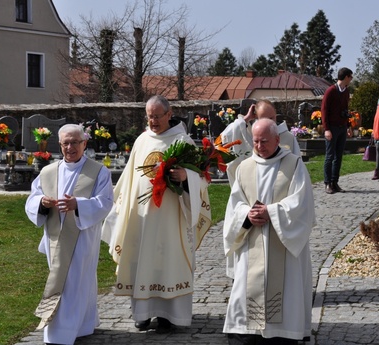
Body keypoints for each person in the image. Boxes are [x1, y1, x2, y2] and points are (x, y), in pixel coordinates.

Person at [101, 95, 210, 334]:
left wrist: (185, 178)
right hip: (141, 218)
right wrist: (120, 207)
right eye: (149, 116)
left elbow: (201, 179)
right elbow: (129, 178)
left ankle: (169, 315)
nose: (153, 121)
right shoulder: (141, 140)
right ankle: (142, 314)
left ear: (169, 114)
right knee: (141, 261)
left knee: (167, 261)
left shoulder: (183, 142)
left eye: (157, 116)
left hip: (170, 219)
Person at [223, 118, 316, 344]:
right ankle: (246, 332)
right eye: (255, 141)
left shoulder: (294, 165)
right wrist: (247, 215)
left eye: (264, 141)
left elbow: (302, 204)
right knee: (245, 284)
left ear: (277, 139)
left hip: (282, 243)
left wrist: (272, 212)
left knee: (286, 287)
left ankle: (284, 334)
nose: (259, 146)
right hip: (252, 239)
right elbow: (234, 206)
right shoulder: (244, 168)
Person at [25, 124, 114, 345]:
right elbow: (32, 200)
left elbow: (105, 203)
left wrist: (78, 205)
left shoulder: (98, 171)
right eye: (65, 142)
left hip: (83, 237)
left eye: (75, 142)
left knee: (78, 281)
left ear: (84, 143)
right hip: (55, 237)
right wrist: (42, 203)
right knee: (65, 281)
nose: (70, 147)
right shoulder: (48, 172)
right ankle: (72, 328)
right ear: (60, 144)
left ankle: (64, 332)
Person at [221, 99, 300, 188]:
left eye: (271, 118)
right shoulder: (248, 135)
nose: (269, 123)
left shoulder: (287, 137)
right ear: (255, 118)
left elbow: (298, 170)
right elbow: (226, 136)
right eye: (263, 119)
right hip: (253, 186)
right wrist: (246, 118)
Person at [321, 67, 353, 194]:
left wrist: (348, 126)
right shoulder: (331, 91)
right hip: (332, 128)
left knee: (338, 156)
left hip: (342, 127)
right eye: (350, 77)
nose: (351, 80)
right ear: (346, 77)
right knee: (330, 156)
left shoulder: (346, 91)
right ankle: (327, 183)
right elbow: (324, 110)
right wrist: (327, 129)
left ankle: (335, 182)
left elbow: (346, 110)